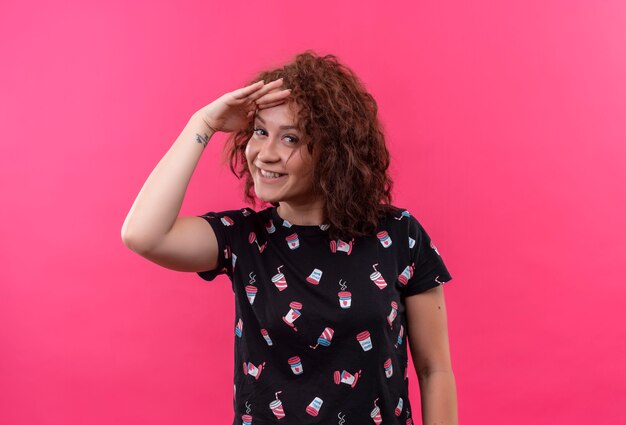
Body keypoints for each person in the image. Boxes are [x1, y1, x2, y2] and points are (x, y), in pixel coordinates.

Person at [122, 51, 458, 425]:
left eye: (290, 139)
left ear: (334, 153)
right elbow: (143, 235)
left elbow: (435, 371)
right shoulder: (244, 239)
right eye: (261, 132)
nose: (266, 154)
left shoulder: (399, 235)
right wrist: (201, 123)